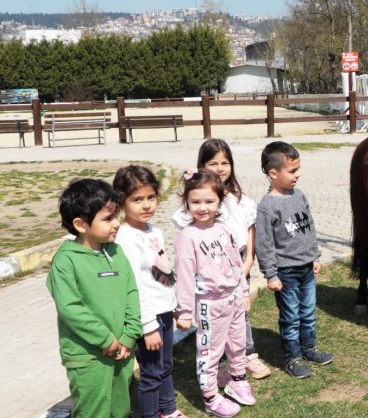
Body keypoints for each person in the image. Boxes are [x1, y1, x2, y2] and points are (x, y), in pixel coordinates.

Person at [171, 139, 270, 380]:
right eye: (213, 163)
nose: (220, 168)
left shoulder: (240, 200)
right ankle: (218, 361)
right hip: (211, 270)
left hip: (238, 264)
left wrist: (247, 265)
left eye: (225, 162)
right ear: (202, 165)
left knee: (241, 313)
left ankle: (247, 354)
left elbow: (249, 232)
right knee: (216, 317)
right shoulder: (199, 201)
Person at [46, 179, 141, 418]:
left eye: (116, 216)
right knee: (93, 411)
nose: (117, 224)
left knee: (121, 409)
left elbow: (131, 291)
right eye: (108, 218)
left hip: (122, 350)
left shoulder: (116, 251)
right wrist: (106, 339)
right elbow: (71, 309)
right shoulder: (65, 261)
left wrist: (129, 334)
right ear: (80, 224)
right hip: (88, 357)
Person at [174, 170, 255, 418]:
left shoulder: (224, 228)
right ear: (186, 202)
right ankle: (210, 398)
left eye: (209, 201)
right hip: (210, 304)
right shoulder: (187, 236)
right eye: (195, 201)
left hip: (233, 299)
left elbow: (235, 263)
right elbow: (184, 277)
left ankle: (237, 379)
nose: (202, 207)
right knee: (210, 352)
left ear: (219, 201)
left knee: (238, 342)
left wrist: (243, 292)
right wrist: (185, 311)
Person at [113, 166, 187, 418]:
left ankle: (168, 410)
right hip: (148, 318)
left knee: (165, 366)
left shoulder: (153, 229)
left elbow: (162, 271)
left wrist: (176, 304)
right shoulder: (125, 238)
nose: (146, 205)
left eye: (151, 197)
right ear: (121, 201)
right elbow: (134, 286)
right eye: (137, 199)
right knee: (151, 373)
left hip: (164, 310)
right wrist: (147, 327)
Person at [255, 141, 334, 379]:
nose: (297, 175)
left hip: (307, 268)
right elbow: (264, 243)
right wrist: (271, 274)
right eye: (292, 171)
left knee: (308, 313)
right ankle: (293, 358)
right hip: (286, 273)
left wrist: (315, 256)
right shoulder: (267, 206)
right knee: (291, 318)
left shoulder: (300, 195)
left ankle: (309, 349)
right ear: (273, 173)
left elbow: (308, 228)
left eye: (298, 169)